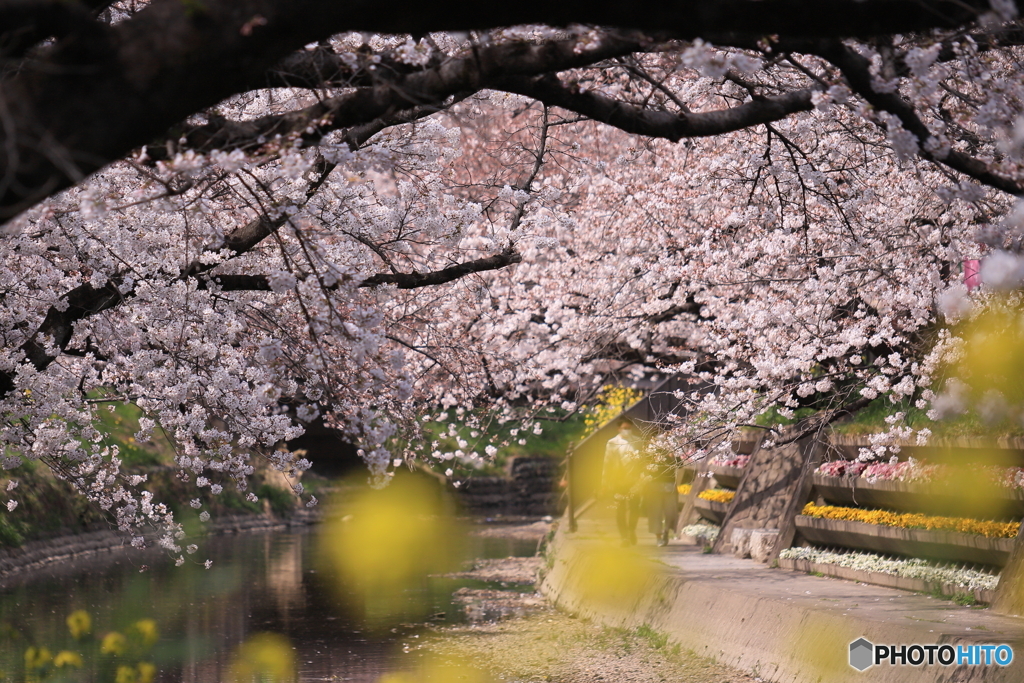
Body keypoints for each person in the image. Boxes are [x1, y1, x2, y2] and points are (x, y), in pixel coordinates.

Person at [602, 418, 643, 546]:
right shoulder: (612, 443)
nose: (627, 431)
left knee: (634, 508)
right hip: (619, 480)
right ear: (619, 429)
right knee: (620, 509)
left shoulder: (637, 441)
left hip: (634, 480)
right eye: (624, 428)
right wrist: (605, 482)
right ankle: (624, 536)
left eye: (629, 428)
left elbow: (643, 460)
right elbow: (607, 463)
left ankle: (631, 530)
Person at [644, 450, 679, 547]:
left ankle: (666, 531)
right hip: (654, 486)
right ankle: (658, 536)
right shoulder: (650, 450)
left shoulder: (673, 449)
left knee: (670, 512)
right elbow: (645, 467)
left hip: (670, 485)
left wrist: (673, 457)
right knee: (656, 512)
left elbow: (680, 465)